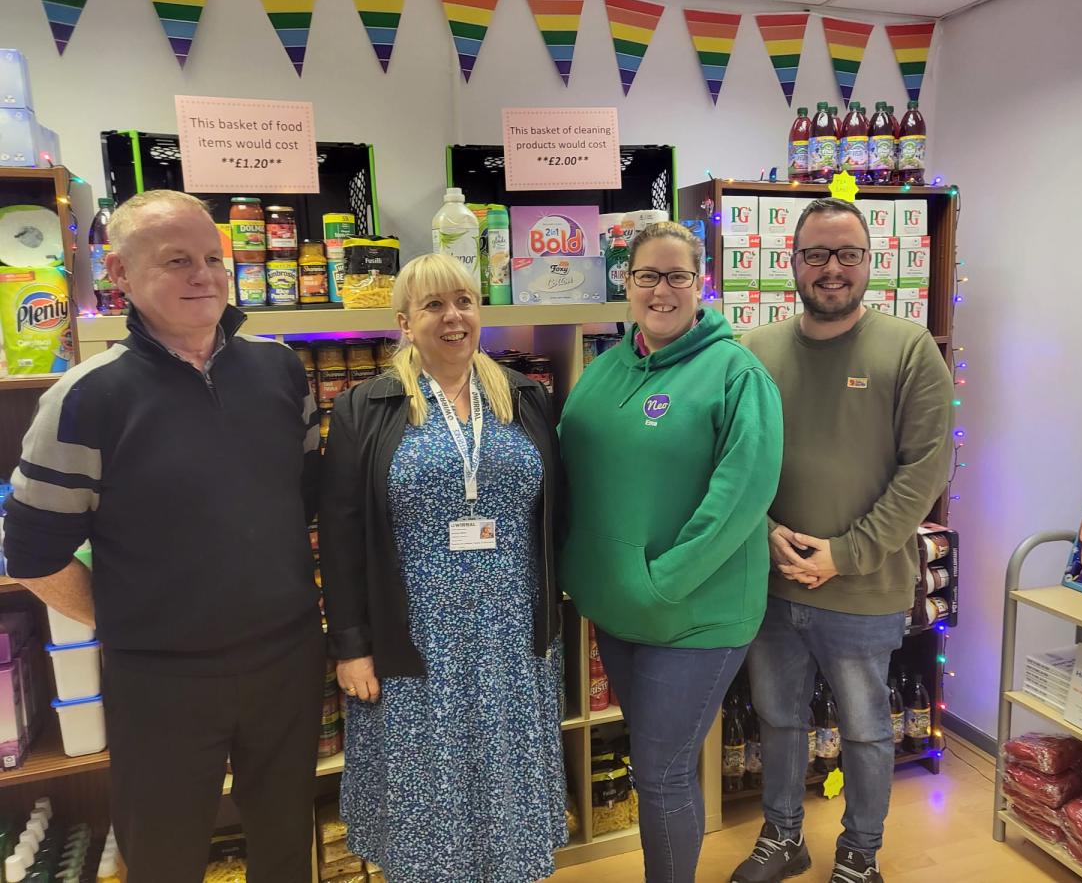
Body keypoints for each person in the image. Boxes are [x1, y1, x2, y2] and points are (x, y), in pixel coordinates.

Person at [1, 190, 324, 882]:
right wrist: (125, 618)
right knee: (165, 856)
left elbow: (304, 500)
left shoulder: (280, 370)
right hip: (161, 681)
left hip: (287, 661)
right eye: (177, 260)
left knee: (287, 844)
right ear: (117, 273)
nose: (203, 274)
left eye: (213, 257)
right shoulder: (86, 396)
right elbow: (30, 555)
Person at [319, 253, 566, 883]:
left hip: (512, 634)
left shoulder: (525, 397)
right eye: (433, 305)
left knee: (507, 781)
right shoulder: (363, 408)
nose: (452, 316)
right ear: (405, 320)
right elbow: (341, 536)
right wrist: (351, 647)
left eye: (464, 301)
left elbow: (557, 511)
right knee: (425, 789)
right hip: (414, 637)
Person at [732, 198, 953, 883]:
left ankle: (860, 854)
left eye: (847, 254)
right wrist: (766, 535)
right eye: (817, 255)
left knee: (864, 729)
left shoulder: (908, 348)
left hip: (863, 587)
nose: (832, 269)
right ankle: (783, 838)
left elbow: (927, 468)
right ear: (791, 263)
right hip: (771, 584)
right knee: (778, 719)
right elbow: (734, 459)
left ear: (869, 263)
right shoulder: (755, 350)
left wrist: (847, 553)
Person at [559, 222, 784, 883]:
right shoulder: (603, 372)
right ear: (626, 285)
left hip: (695, 615)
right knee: (656, 764)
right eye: (647, 276)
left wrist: (662, 582)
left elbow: (744, 493)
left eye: (676, 275)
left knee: (659, 774)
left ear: (699, 282)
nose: (662, 290)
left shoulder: (736, 371)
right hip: (619, 612)